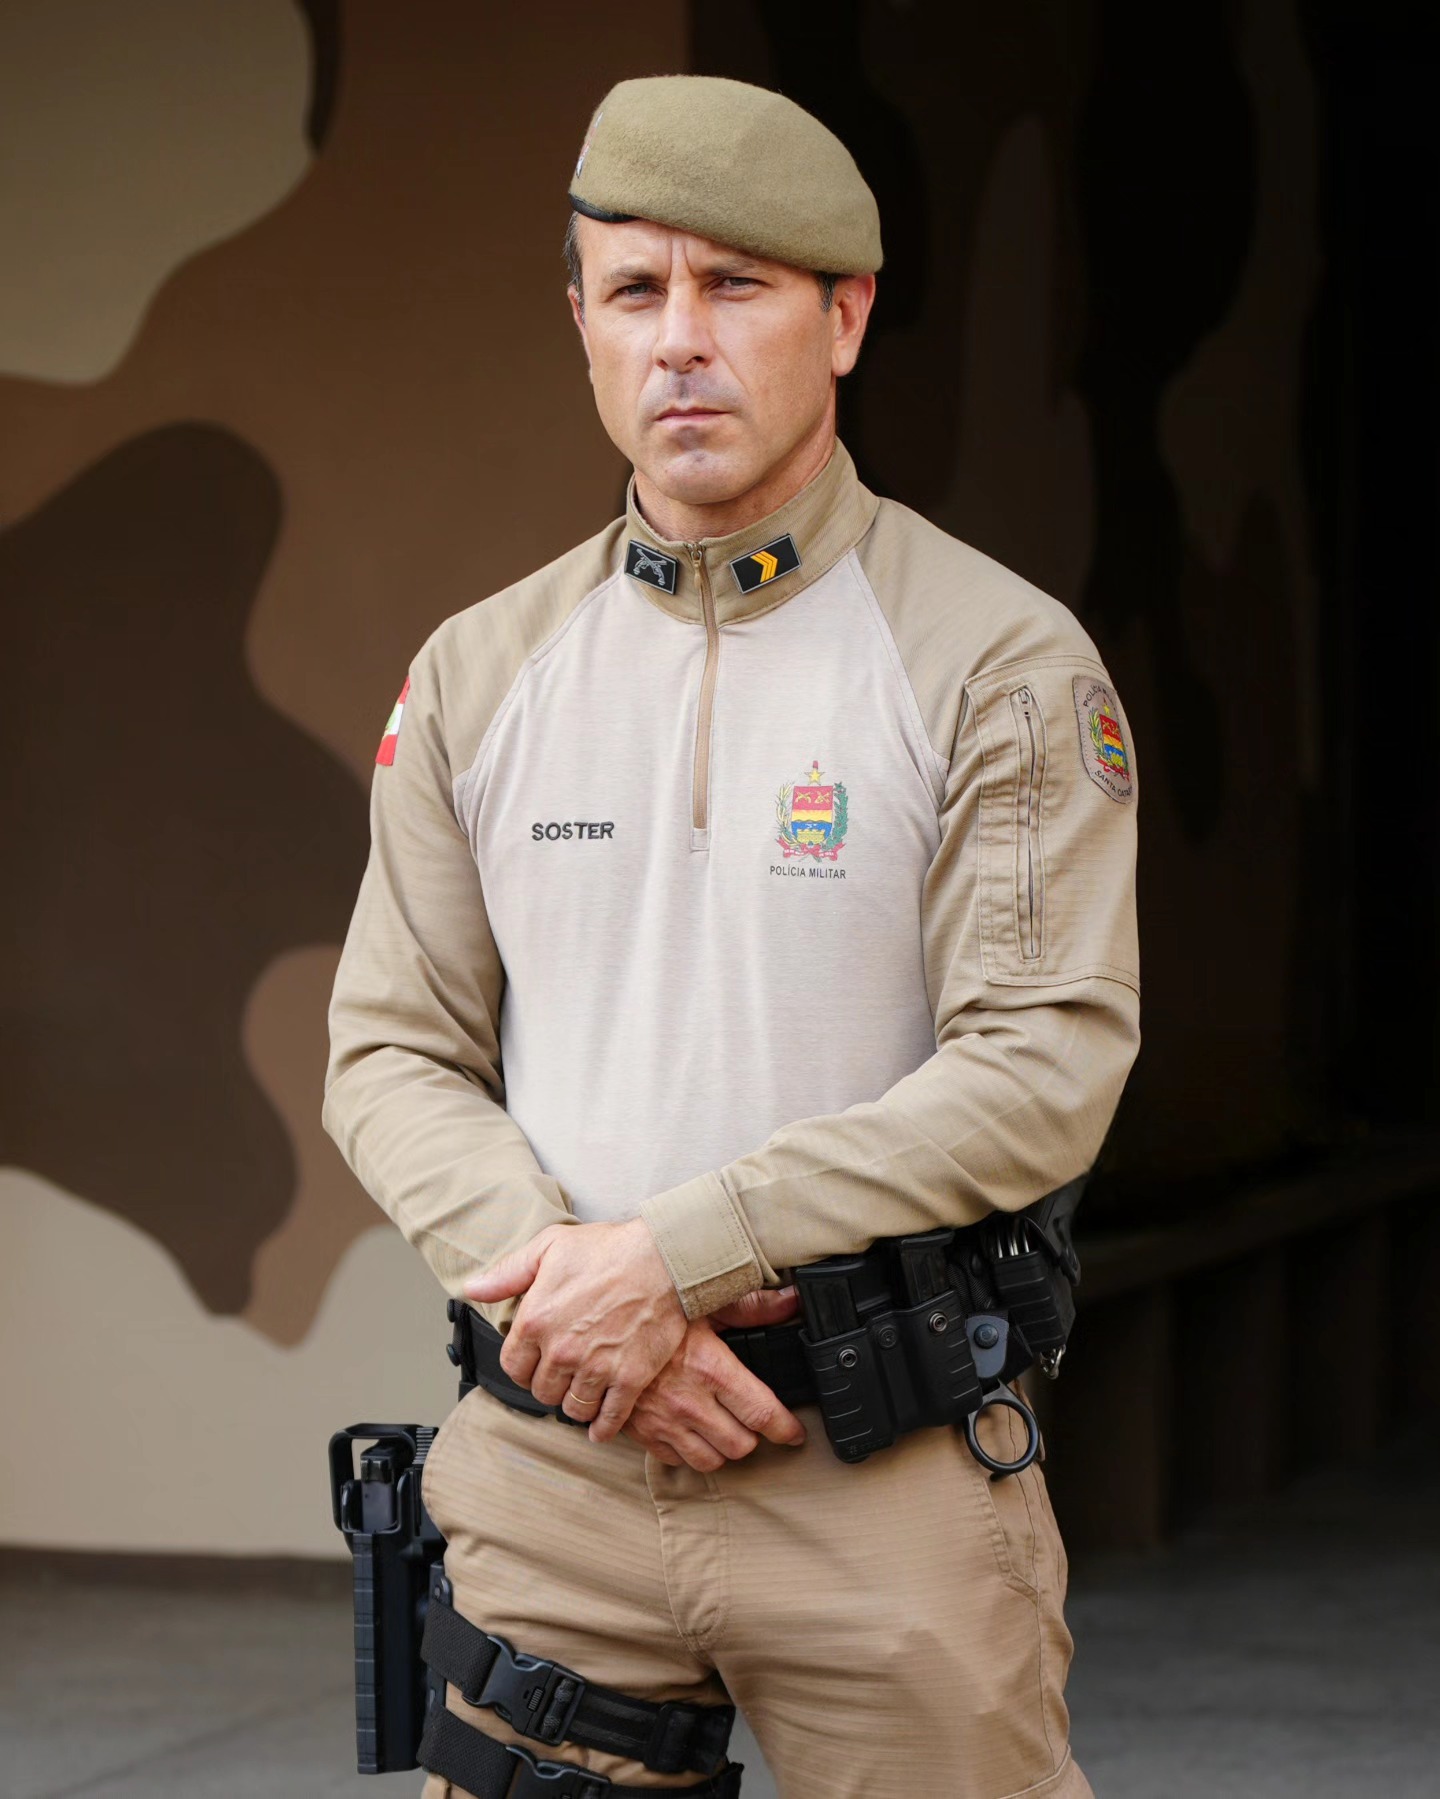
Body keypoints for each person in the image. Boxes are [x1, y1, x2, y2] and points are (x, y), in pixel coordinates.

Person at [325, 73, 1139, 1799]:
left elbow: (1039, 1067)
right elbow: (392, 1049)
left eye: (737, 287)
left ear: (845, 318)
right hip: (555, 1473)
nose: (680, 341)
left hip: (877, 1473)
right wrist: (577, 1298)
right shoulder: (480, 671)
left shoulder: (996, 659)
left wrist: (677, 1257)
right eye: (635, 291)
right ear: (582, 327)